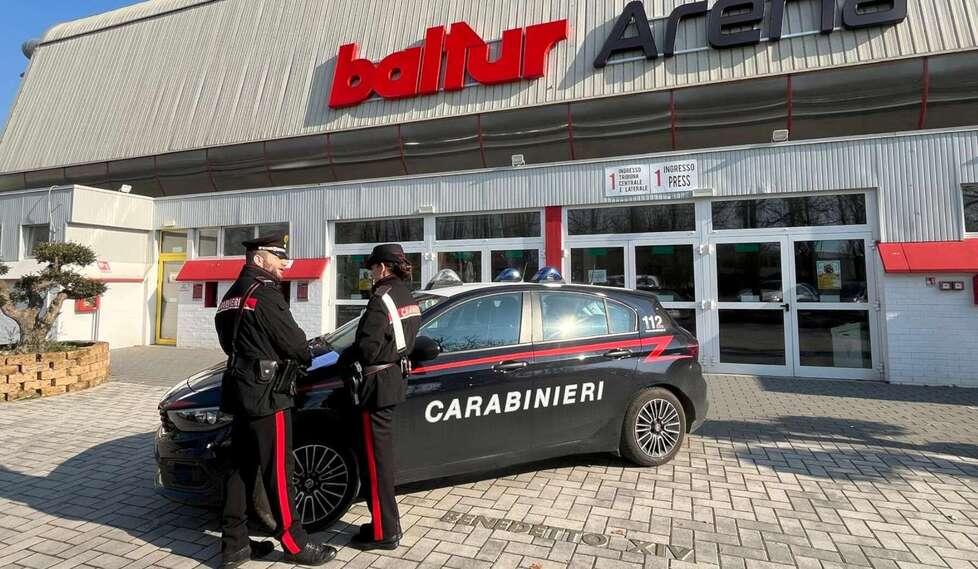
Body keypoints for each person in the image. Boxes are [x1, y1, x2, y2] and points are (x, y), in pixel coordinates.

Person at [214, 231, 335, 568]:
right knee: (279, 471)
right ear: (258, 258)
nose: (284, 263)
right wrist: (303, 355)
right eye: (278, 257)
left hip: (239, 391)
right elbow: (295, 343)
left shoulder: (233, 293)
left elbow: (227, 340)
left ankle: (234, 545)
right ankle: (295, 545)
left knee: (240, 469)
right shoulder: (265, 293)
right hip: (269, 395)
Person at [339, 243, 421, 551]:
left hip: (375, 385)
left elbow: (368, 348)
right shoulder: (405, 296)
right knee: (382, 460)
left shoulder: (379, 299)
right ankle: (387, 522)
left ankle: (384, 532)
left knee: (375, 463)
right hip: (392, 381)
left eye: (373, 268)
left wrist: (346, 358)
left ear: (383, 268)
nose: (371, 273)